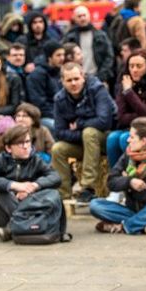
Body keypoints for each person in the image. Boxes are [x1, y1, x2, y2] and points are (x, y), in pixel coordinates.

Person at [90, 117, 146, 234]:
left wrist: (133, 189)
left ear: (144, 141)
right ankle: (143, 224)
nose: (128, 140)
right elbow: (111, 182)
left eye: (132, 137)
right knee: (95, 205)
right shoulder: (128, 156)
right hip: (132, 210)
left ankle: (125, 226)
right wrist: (130, 182)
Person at [0, 125, 62, 241]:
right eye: (20, 143)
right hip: (8, 210)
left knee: (51, 191)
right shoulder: (1, 160)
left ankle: (15, 228)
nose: (26, 147)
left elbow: (55, 177)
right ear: (9, 148)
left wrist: (34, 186)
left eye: (28, 142)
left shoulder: (36, 160)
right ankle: (18, 225)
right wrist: (15, 186)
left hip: (29, 207)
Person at [51, 62, 114, 201]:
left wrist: (79, 124)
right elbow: (60, 132)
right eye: (69, 80)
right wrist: (81, 133)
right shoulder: (60, 99)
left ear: (83, 77)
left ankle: (88, 187)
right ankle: (63, 195)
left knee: (90, 132)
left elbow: (105, 121)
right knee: (57, 148)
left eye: (76, 79)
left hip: (105, 139)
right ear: (62, 82)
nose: (73, 83)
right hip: (83, 142)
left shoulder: (97, 89)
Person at [63, 5, 115, 85]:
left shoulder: (101, 35)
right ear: (75, 19)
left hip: (99, 78)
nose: (82, 18)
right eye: (79, 16)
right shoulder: (69, 37)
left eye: (84, 15)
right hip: (77, 79)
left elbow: (109, 56)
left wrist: (102, 76)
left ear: (89, 16)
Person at [25, 41, 65, 129]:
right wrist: (60, 117)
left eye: (63, 55)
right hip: (45, 116)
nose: (62, 58)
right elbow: (39, 104)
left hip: (60, 114)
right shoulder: (38, 74)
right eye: (58, 55)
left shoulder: (59, 71)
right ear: (49, 57)